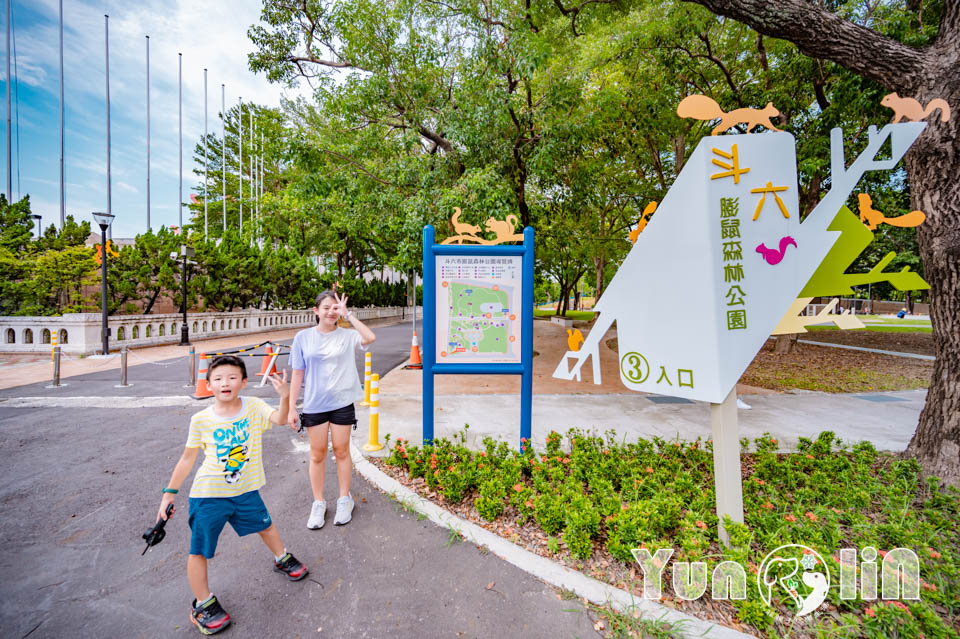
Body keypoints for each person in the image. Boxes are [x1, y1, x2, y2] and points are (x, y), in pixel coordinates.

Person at [156, 355, 308, 635]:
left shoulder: (253, 406)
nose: (225, 382)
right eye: (218, 378)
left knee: (266, 525)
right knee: (200, 549)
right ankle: (202, 604)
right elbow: (188, 459)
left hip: (245, 489)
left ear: (244, 382)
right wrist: (169, 494)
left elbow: (277, 419)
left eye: (232, 377)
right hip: (209, 495)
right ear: (209, 384)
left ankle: (281, 557)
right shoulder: (201, 419)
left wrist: (285, 397)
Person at [288, 290, 376, 529]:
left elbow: (369, 337)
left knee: (342, 451)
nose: (331, 312)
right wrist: (291, 408)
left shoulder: (347, 335)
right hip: (315, 404)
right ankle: (318, 503)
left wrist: (349, 315)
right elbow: (297, 373)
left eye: (335, 308)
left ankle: (344, 499)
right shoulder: (303, 338)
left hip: (342, 402)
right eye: (326, 307)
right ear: (316, 311)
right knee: (317, 454)